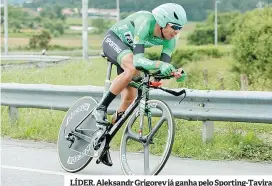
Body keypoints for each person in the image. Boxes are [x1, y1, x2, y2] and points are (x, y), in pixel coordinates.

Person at [94, 3, 187, 166]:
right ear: (163, 21)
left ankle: (105, 137)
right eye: (175, 27)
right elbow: (137, 61)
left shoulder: (171, 40)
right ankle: (100, 107)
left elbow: (160, 71)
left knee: (129, 98)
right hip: (114, 40)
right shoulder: (146, 21)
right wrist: (160, 65)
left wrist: (173, 72)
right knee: (132, 68)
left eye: (180, 28)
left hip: (128, 51)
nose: (177, 32)